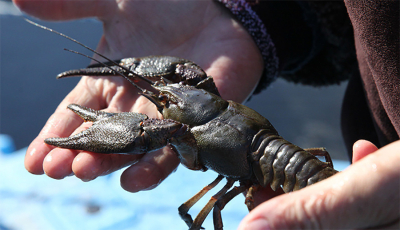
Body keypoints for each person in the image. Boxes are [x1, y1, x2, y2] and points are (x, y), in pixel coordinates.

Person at [14, 0, 399, 229]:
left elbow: (174, 133)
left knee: (193, 209)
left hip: (375, 183)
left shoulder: (180, 129)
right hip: (363, 157)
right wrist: (262, 12)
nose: (164, 97)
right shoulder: (203, 94)